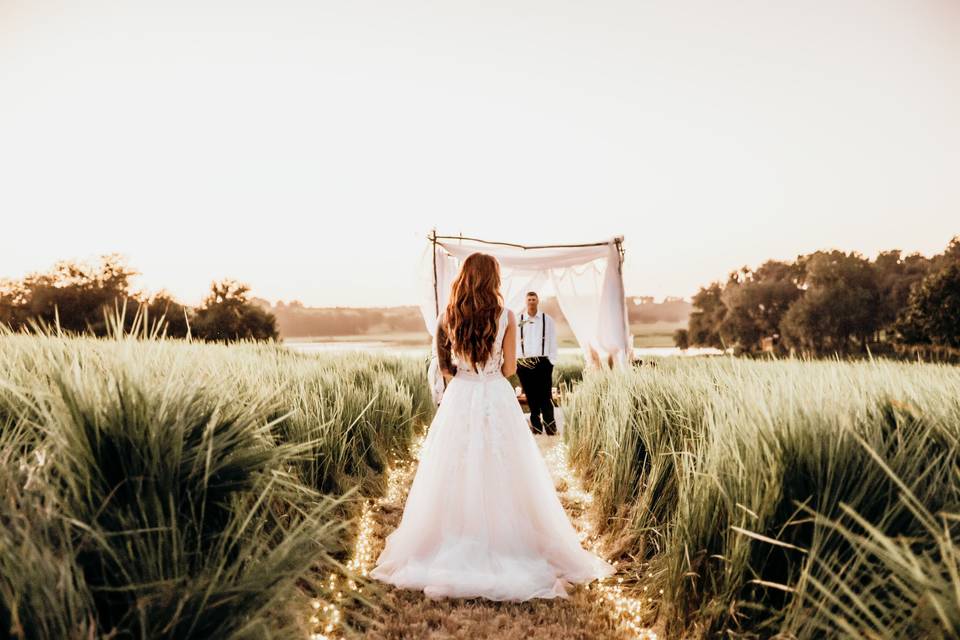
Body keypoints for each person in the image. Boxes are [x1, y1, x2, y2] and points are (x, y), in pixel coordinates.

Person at [370, 252, 613, 601]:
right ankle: (509, 543)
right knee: (506, 466)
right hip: (494, 394)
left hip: (460, 395)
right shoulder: (507, 317)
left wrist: (464, 377)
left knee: (455, 465)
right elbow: (510, 368)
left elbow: (443, 368)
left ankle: (451, 538)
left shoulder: (447, 316)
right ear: (493, 280)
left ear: (464, 278)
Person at [516, 291, 559, 435]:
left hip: (543, 362)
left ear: (538, 301)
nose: (531, 302)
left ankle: (551, 428)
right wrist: (518, 362)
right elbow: (515, 341)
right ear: (525, 302)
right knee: (531, 397)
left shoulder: (548, 320)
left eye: (534, 299)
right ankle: (536, 429)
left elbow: (553, 340)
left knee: (545, 397)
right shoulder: (519, 319)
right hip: (524, 364)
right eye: (529, 299)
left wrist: (551, 361)